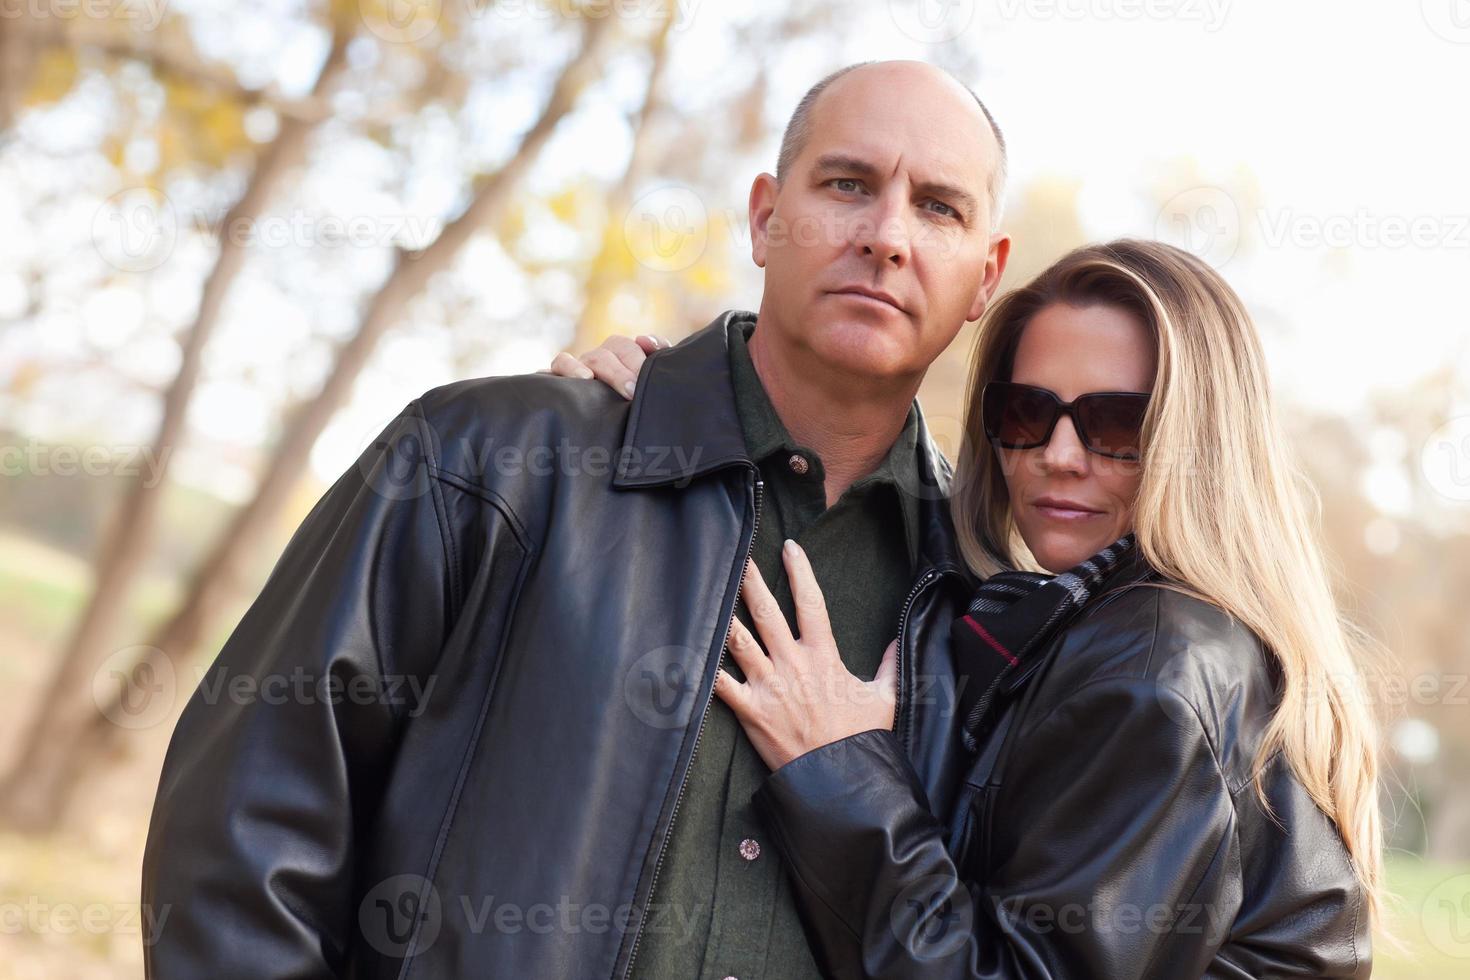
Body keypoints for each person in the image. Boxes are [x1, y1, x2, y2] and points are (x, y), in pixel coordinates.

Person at [140, 60, 1009, 977]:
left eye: (940, 208)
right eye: (848, 184)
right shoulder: (488, 461)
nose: (886, 236)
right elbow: (244, 839)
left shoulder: (987, 610)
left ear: (986, 276)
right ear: (764, 216)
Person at [552, 239, 1383, 977]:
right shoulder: (1065, 618)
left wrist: (843, 769)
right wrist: (673, 397)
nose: (1059, 456)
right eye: (1026, 413)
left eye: (1116, 426)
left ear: (1196, 441)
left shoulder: (1158, 663)